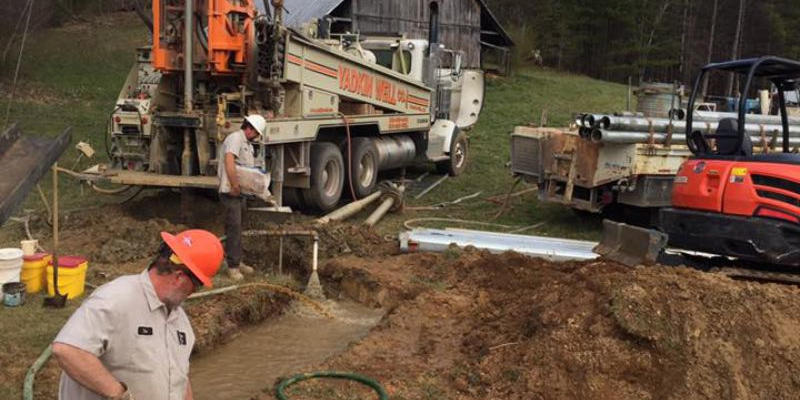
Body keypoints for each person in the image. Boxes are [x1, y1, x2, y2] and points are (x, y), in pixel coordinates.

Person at [51, 229, 224, 400]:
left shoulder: (180, 321)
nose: (192, 293)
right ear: (179, 278)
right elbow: (68, 349)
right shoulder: (117, 298)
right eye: (197, 286)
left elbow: (179, 379)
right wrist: (119, 394)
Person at [218, 114, 267, 281]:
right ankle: (232, 267)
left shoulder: (248, 145)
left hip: (240, 193)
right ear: (250, 128)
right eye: (256, 133)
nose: (257, 136)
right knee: (233, 228)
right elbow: (229, 161)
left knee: (239, 229)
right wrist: (234, 185)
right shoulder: (235, 139)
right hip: (230, 192)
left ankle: (238, 261)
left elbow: (248, 173)